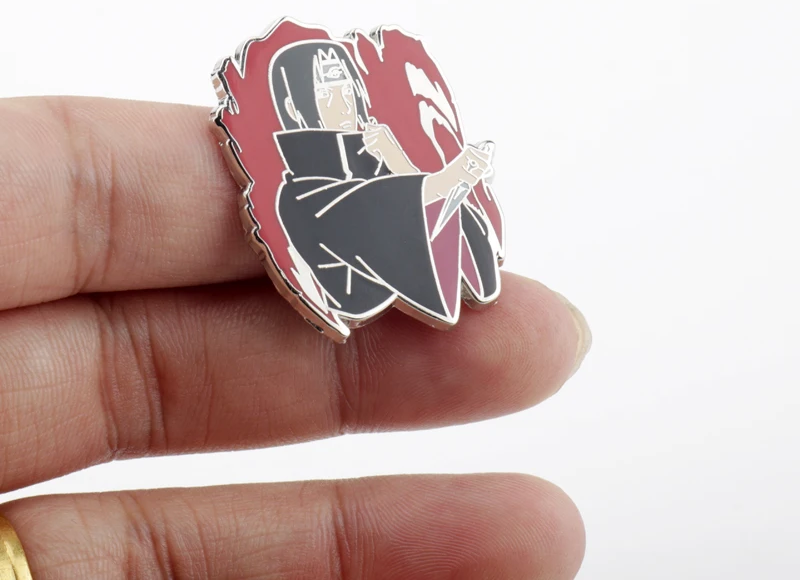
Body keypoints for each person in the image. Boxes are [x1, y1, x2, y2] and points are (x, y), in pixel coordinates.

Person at [0, 95, 591, 578]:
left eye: (343, 80)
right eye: (325, 81)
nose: (342, 92)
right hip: (331, 236)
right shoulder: (298, 165)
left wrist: (406, 169)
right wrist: (423, 183)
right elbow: (325, 212)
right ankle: (435, 191)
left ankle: (437, 193)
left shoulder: (378, 146)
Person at [271, 40, 500, 324]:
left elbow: (468, 250)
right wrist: (446, 179)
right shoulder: (299, 195)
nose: (344, 105)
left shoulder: (377, 166)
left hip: (410, 333)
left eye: (347, 90)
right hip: (360, 327)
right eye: (325, 94)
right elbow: (370, 212)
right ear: (293, 109)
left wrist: (402, 165)